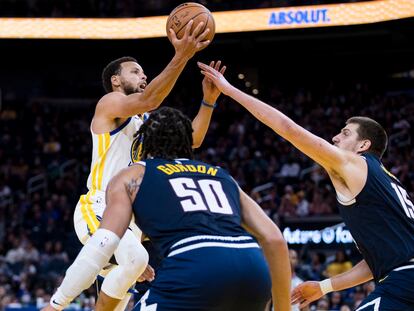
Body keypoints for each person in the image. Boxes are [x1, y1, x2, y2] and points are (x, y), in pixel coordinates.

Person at [198, 62, 414, 310]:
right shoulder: (386, 182)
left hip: (403, 281)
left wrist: (229, 90)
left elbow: (288, 129)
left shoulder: (355, 164)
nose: (335, 137)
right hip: (400, 279)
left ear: (363, 146)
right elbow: (376, 263)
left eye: (345, 133)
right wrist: (323, 287)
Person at [43, 21, 223, 311]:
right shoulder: (109, 103)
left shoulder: (146, 123)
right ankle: (54, 306)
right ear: (116, 80)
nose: (144, 75)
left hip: (133, 220)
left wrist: (208, 101)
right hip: (100, 204)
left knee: (128, 278)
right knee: (138, 259)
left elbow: (194, 139)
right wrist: (182, 55)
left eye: (143, 72)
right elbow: (151, 97)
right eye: (135, 71)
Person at [45, 107, 291, 311]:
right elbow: (275, 239)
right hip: (252, 271)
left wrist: (57, 303)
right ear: (188, 142)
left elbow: (105, 242)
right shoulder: (221, 175)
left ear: (145, 144)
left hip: (195, 269)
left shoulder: (134, 174)